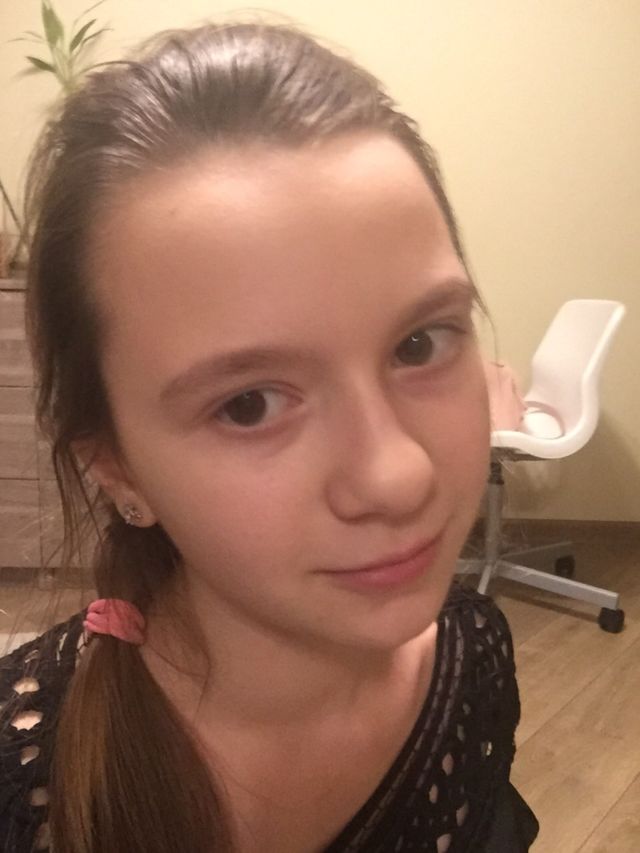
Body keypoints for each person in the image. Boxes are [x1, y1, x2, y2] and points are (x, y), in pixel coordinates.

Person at [0, 21, 539, 853]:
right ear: (116, 466)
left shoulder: (471, 652)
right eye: (249, 404)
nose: (398, 474)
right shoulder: (23, 786)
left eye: (419, 343)